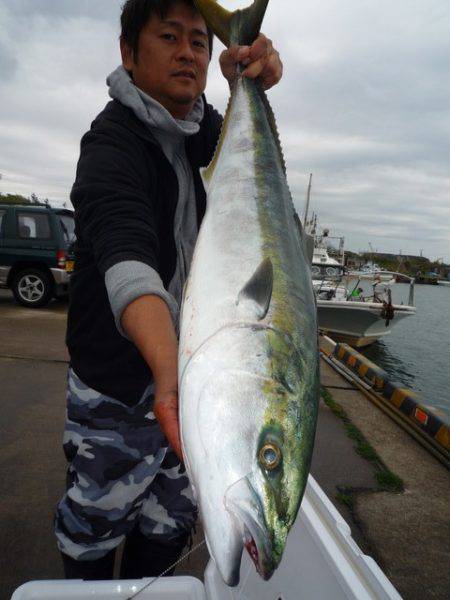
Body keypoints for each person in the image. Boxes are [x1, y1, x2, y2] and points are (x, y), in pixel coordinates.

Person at [54, 0, 283, 581]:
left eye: (201, 42)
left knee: (170, 527)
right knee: (93, 533)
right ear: (128, 53)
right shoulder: (110, 145)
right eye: (169, 36)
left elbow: (255, 202)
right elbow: (128, 263)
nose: (188, 52)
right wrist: (167, 369)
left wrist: (249, 79)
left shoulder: (210, 135)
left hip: (195, 388)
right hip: (119, 390)